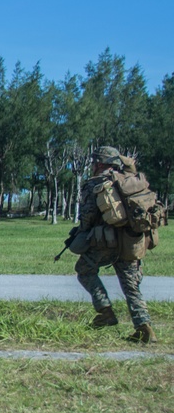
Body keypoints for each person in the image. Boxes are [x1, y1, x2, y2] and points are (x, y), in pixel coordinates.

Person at [75, 146, 157, 343]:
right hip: (131, 241)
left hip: (105, 241)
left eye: (95, 162)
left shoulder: (95, 183)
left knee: (84, 270)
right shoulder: (130, 182)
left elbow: (88, 216)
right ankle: (144, 328)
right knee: (131, 286)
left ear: (100, 163)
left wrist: (82, 231)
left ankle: (105, 312)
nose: (93, 166)